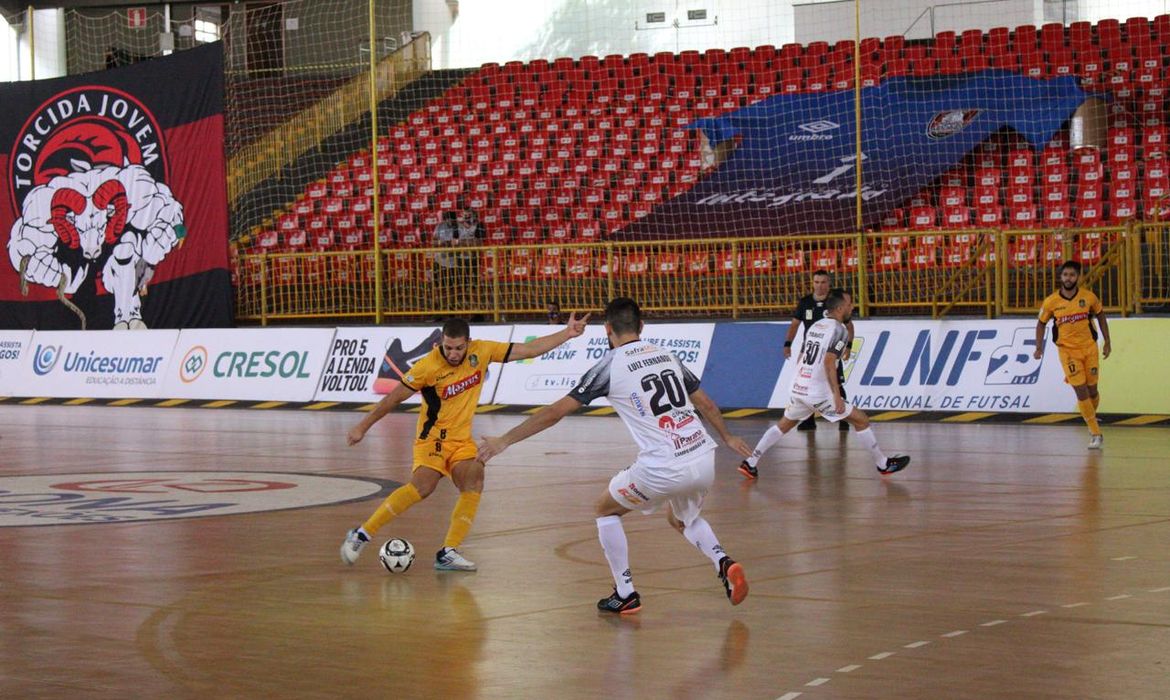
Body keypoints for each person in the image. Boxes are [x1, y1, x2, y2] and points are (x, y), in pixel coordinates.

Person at [478, 297, 754, 614]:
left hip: (664, 466)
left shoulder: (610, 364)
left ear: (607, 329)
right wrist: (728, 436)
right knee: (680, 517)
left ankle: (625, 592)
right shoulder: (666, 355)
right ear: (641, 326)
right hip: (703, 455)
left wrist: (504, 440)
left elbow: (555, 412)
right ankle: (723, 562)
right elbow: (705, 404)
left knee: (605, 510)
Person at [341, 313, 590, 570]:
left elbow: (528, 349)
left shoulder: (481, 351)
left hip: (461, 440)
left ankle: (448, 551)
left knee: (474, 478)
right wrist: (362, 426)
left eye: (459, 348)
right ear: (440, 343)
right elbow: (392, 399)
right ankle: (361, 534)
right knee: (423, 487)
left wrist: (567, 333)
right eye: (448, 347)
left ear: (468, 343)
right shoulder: (427, 367)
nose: (453, 353)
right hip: (432, 440)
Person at [738, 289, 910, 480]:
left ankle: (750, 462)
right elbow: (829, 362)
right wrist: (837, 395)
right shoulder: (840, 330)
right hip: (817, 392)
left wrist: (800, 379)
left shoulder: (817, 325)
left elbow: (803, 355)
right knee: (861, 420)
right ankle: (883, 464)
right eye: (849, 304)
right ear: (840, 307)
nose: (852, 307)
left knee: (783, 425)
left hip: (799, 386)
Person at [1034, 260, 1111, 449]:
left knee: (1093, 390)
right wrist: (1039, 347)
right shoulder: (1051, 302)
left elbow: (1100, 315)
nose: (1068, 278)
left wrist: (1107, 341)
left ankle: (1090, 417)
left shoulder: (1089, 297)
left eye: (1072, 275)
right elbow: (1041, 324)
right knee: (1081, 389)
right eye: (1065, 275)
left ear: (1078, 277)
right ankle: (1095, 433)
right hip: (1068, 352)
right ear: (1061, 277)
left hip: (1089, 349)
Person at [784, 270, 854, 432]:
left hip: (830, 349)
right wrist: (788, 344)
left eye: (823, 282)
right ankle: (808, 420)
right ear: (812, 283)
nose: (819, 286)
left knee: (836, 380)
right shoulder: (805, 302)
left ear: (829, 284)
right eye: (816, 282)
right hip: (810, 350)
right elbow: (795, 325)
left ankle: (843, 417)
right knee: (806, 383)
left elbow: (849, 326)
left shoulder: (835, 303)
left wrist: (848, 346)